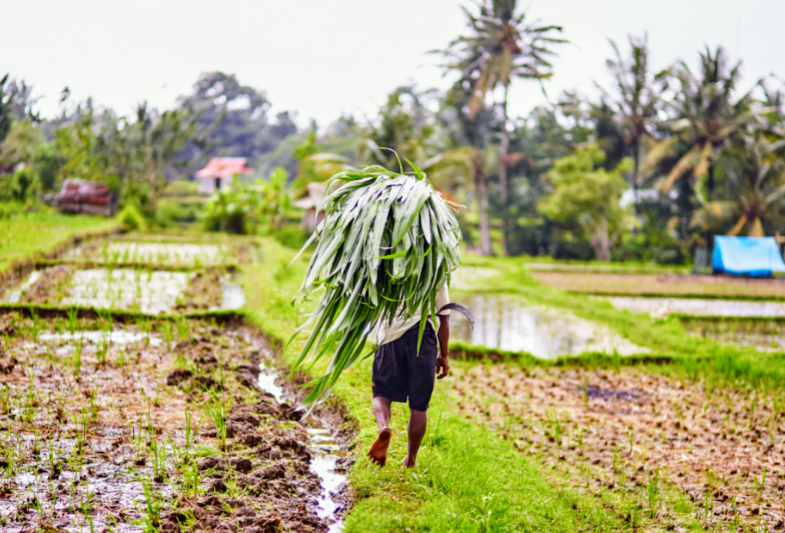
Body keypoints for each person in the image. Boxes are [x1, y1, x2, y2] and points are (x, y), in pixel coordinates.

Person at [366, 286, 450, 468]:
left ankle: (384, 428)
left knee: (381, 393)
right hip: (422, 335)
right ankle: (410, 460)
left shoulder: (383, 263)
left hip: (389, 334)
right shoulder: (435, 267)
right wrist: (444, 355)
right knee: (419, 405)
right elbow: (444, 317)